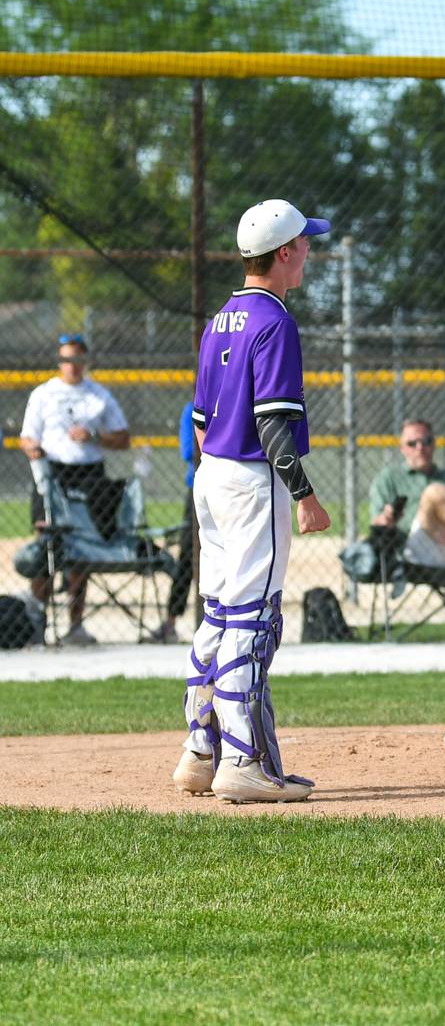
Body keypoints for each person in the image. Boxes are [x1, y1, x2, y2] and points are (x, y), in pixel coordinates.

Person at [171, 198, 332, 805]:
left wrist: (220, 474)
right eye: (305, 244)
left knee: (217, 614)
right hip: (250, 478)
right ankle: (242, 761)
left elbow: (202, 420)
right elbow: (272, 424)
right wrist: (305, 495)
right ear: (284, 252)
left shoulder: (220, 320)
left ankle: (199, 750)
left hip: (212, 474)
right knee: (251, 619)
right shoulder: (274, 321)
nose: (309, 252)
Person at [19, 334, 131, 647]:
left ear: (85, 362)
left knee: (80, 551)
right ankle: (36, 623)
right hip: (52, 476)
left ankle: (75, 624)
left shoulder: (99, 395)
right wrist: (35, 451)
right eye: (67, 360)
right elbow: (26, 438)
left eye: (78, 360)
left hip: (89, 477)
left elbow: (123, 438)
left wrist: (95, 436)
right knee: (46, 548)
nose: (73, 366)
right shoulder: (44, 394)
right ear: (60, 362)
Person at [369, 418, 445, 619]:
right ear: (402, 448)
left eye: (426, 441)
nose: (420, 448)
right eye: (412, 443)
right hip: (415, 546)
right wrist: (387, 518)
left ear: (434, 444)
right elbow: (375, 524)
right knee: (434, 493)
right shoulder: (389, 478)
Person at [149, 402, 198, 644]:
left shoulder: (238, 400)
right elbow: (189, 452)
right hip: (199, 488)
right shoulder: (192, 409)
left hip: (234, 489)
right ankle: (171, 621)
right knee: (188, 557)